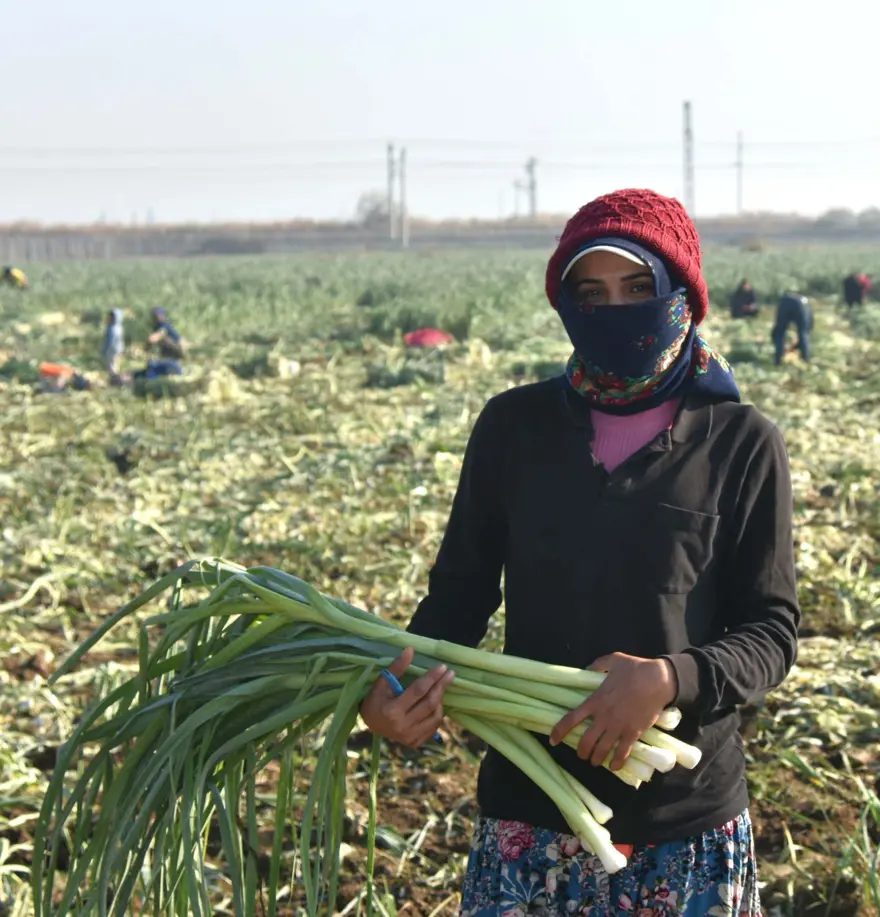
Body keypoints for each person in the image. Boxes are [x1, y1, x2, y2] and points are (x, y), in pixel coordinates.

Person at [360, 189, 799, 916]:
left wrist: (670, 677)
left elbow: (772, 632)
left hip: (684, 823)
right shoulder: (513, 427)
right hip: (529, 814)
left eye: (637, 287)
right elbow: (458, 600)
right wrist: (393, 690)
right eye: (590, 293)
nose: (614, 308)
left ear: (683, 295)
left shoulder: (740, 440)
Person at [772, 291, 812, 365]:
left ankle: (778, 360)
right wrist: (797, 346)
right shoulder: (806, 304)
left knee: (780, 333)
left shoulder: (786, 299)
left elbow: (776, 331)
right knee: (803, 334)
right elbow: (807, 329)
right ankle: (805, 360)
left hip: (785, 303)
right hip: (801, 305)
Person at [102, 308, 125, 376]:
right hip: (116, 350)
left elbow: (112, 341)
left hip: (113, 351)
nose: (110, 318)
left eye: (112, 317)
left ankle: (114, 379)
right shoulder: (116, 327)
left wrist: (106, 350)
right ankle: (114, 378)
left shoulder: (114, 329)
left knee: (112, 367)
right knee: (113, 366)